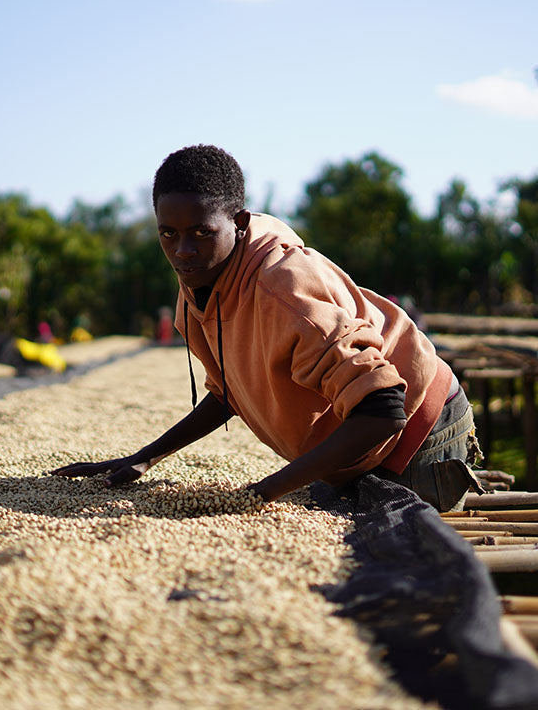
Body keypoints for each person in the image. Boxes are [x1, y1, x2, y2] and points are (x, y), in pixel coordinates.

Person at [51, 145, 483, 512]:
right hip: (362, 442)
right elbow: (229, 393)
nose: (182, 250)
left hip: (418, 437)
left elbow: (383, 408)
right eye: (168, 233)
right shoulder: (201, 277)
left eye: (202, 232)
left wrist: (260, 493)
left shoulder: (283, 290)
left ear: (238, 224)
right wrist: (146, 458)